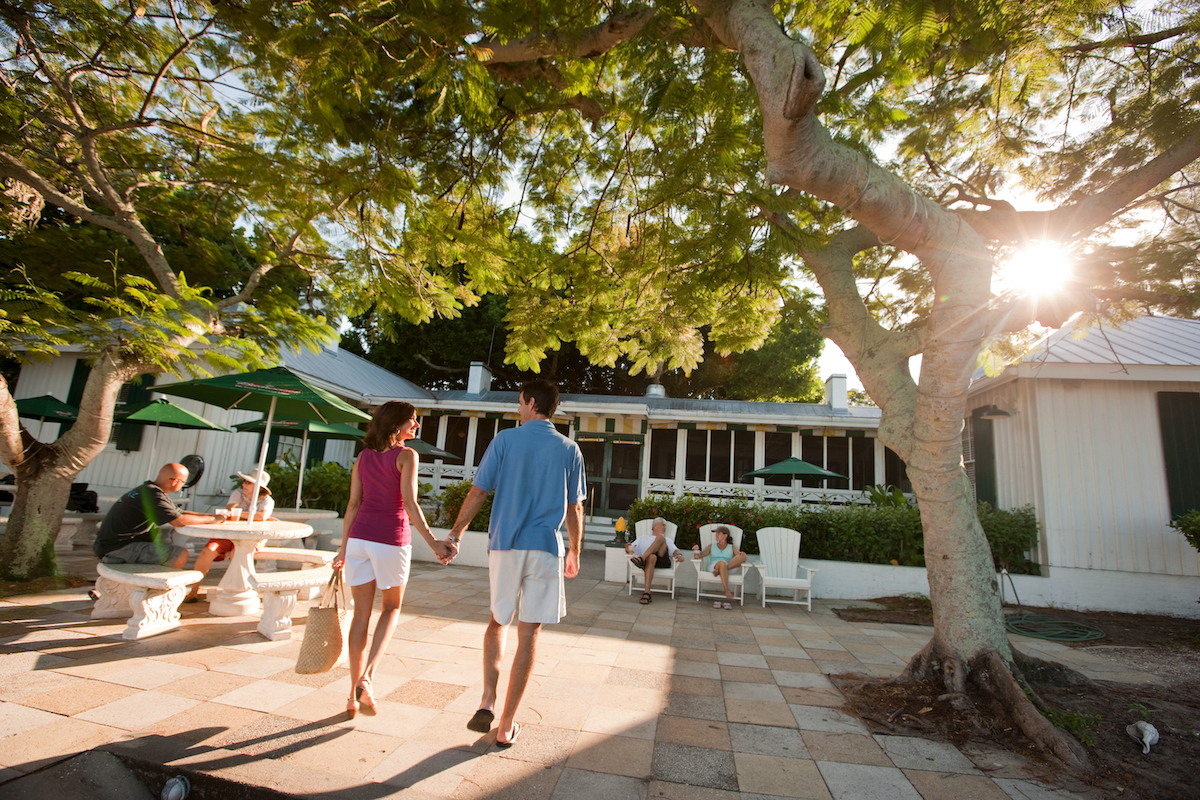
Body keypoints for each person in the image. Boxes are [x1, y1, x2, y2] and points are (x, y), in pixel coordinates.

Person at [446, 379, 586, 748]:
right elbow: (575, 506)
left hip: (505, 545)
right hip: (545, 548)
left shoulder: (505, 440)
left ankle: (487, 699)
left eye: (520, 401)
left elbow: (479, 491)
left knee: (497, 621)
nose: (518, 407)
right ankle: (506, 724)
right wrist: (576, 549)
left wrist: (456, 534)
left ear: (531, 402)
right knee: (530, 632)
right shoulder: (570, 449)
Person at [331, 402, 451, 719]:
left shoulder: (363, 457)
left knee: (360, 616)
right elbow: (410, 504)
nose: (417, 425)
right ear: (396, 424)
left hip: (358, 540)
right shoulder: (406, 455)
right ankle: (367, 677)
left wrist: (344, 548)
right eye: (412, 420)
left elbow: (353, 503)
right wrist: (434, 543)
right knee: (391, 608)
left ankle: (352, 695)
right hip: (390, 540)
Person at [93, 463, 226, 569]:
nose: (183, 485)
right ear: (175, 482)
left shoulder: (149, 489)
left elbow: (179, 513)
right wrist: (213, 519)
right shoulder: (154, 495)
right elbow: (179, 521)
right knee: (179, 554)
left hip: (112, 545)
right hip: (119, 548)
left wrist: (211, 515)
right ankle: (159, 593)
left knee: (165, 549)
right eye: (183, 482)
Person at [184, 468, 276, 603]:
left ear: (258, 487)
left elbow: (259, 516)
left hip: (253, 536)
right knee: (208, 551)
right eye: (244, 482)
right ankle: (193, 591)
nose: (243, 485)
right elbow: (230, 510)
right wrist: (254, 516)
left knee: (237, 555)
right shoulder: (238, 493)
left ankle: (233, 592)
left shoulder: (267, 500)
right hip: (230, 532)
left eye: (248, 483)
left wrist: (250, 516)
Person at [625, 517, 685, 604]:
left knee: (661, 537)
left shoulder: (667, 539)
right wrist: (627, 548)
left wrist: (679, 555)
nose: (665, 527)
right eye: (663, 525)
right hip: (648, 563)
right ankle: (647, 593)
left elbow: (675, 550)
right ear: (655, 525)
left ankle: (642, 558)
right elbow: (631, 549)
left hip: (662, 560)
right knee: (652, 557)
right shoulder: (643, 538)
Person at [691, 524, 746, 609]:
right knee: (722, 563)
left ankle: (721, 570)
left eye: (718, 533)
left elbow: (740, 558)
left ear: (725, 535)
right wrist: (696, 550)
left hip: (728, 568)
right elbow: (700, 555)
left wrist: (743, 555)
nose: (716, 535)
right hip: (714, 567)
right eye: (716, 533)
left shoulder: (731, 547)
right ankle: (726, 589)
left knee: (742, 556)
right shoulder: (712, 546)